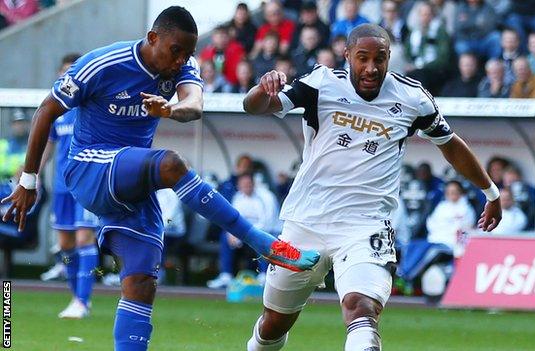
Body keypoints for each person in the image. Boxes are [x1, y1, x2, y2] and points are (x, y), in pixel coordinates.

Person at [0, 7, 319, 351]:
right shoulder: (103, 63)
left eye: (188, 53)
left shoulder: (183, 66)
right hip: (89, 166)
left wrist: (170, 110)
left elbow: (194, 105)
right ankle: (262, 243)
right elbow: (46, 110)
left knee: (141, 283)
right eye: (175, 51)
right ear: (153, 38)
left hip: (131, 182)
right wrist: (28, 181)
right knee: (171, 163)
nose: (181, 60)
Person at [242, 23, 502, 351]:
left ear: (389, 57)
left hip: (366, 226)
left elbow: (449, 144)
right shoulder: (321, 84)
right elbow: (254, 107)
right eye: (362, 58)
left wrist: (490, 191)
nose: (371, 67)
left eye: (380, 58)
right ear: (347, 56)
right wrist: (262, 88)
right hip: (306, 222)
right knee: (274, 324)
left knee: (361, 309)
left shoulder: (412, 98)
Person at [37, 53, 100, 319]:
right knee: (65, 244)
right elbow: (48, 145)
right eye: (63, 73)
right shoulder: (57, 111)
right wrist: (34, 175)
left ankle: (83, 301)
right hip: (62, 185)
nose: (67, 78)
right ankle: (77, 297)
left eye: (70, 72)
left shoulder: (90, 106)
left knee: (85, 238)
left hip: (85, 184)